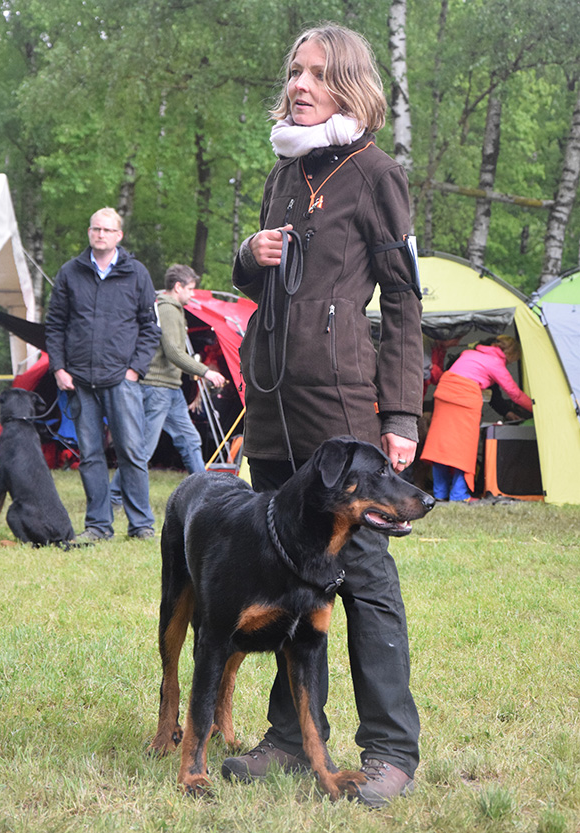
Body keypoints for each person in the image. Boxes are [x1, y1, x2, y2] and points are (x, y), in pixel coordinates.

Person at [221, 24, 424, 809]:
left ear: (349, 83)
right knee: (282, 568)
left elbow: (404, 301)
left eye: (317, 73)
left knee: (362, 572)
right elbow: (257, 282)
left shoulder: (375, 173)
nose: (299, 84)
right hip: (268, 398)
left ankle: (389, 750)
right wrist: (250, 251)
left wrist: (400, 408)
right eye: (294, 72)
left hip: (339, 408)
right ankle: (287, 738)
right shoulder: (284, 167)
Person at [45, 207, 160, 542]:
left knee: (132, 453)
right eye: (96, 229)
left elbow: (150, 329)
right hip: (80, 380)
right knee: (91, 455)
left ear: (119, 236)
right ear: (89, 232)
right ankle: (98, 526)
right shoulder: (70, 272)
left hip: (121, 380)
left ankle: (141, 525)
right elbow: (55, 325)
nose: (100, 235)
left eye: (107, 230)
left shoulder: (137, 273)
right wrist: (59, 368)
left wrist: (134, 371)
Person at [110, 264, 225, 503]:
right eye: (191, 289)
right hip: (157, 388)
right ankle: (114, 495)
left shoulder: (170, 308)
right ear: (178, 287)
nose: (193, 294)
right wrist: (206, 372)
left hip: (169, 388)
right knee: (142, 449)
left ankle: (207, 494)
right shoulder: (169, 309)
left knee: (190, 440)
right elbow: (173, 351)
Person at [420, 335, 533, 501]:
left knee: (440, 448)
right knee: (463, 451)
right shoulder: (496, 363)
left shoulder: (469, 353)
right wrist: (536, 408)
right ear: (509, 354)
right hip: (464, 401)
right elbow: (515, 394)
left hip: (443, 395)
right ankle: (459, 495)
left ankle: (440, 494)